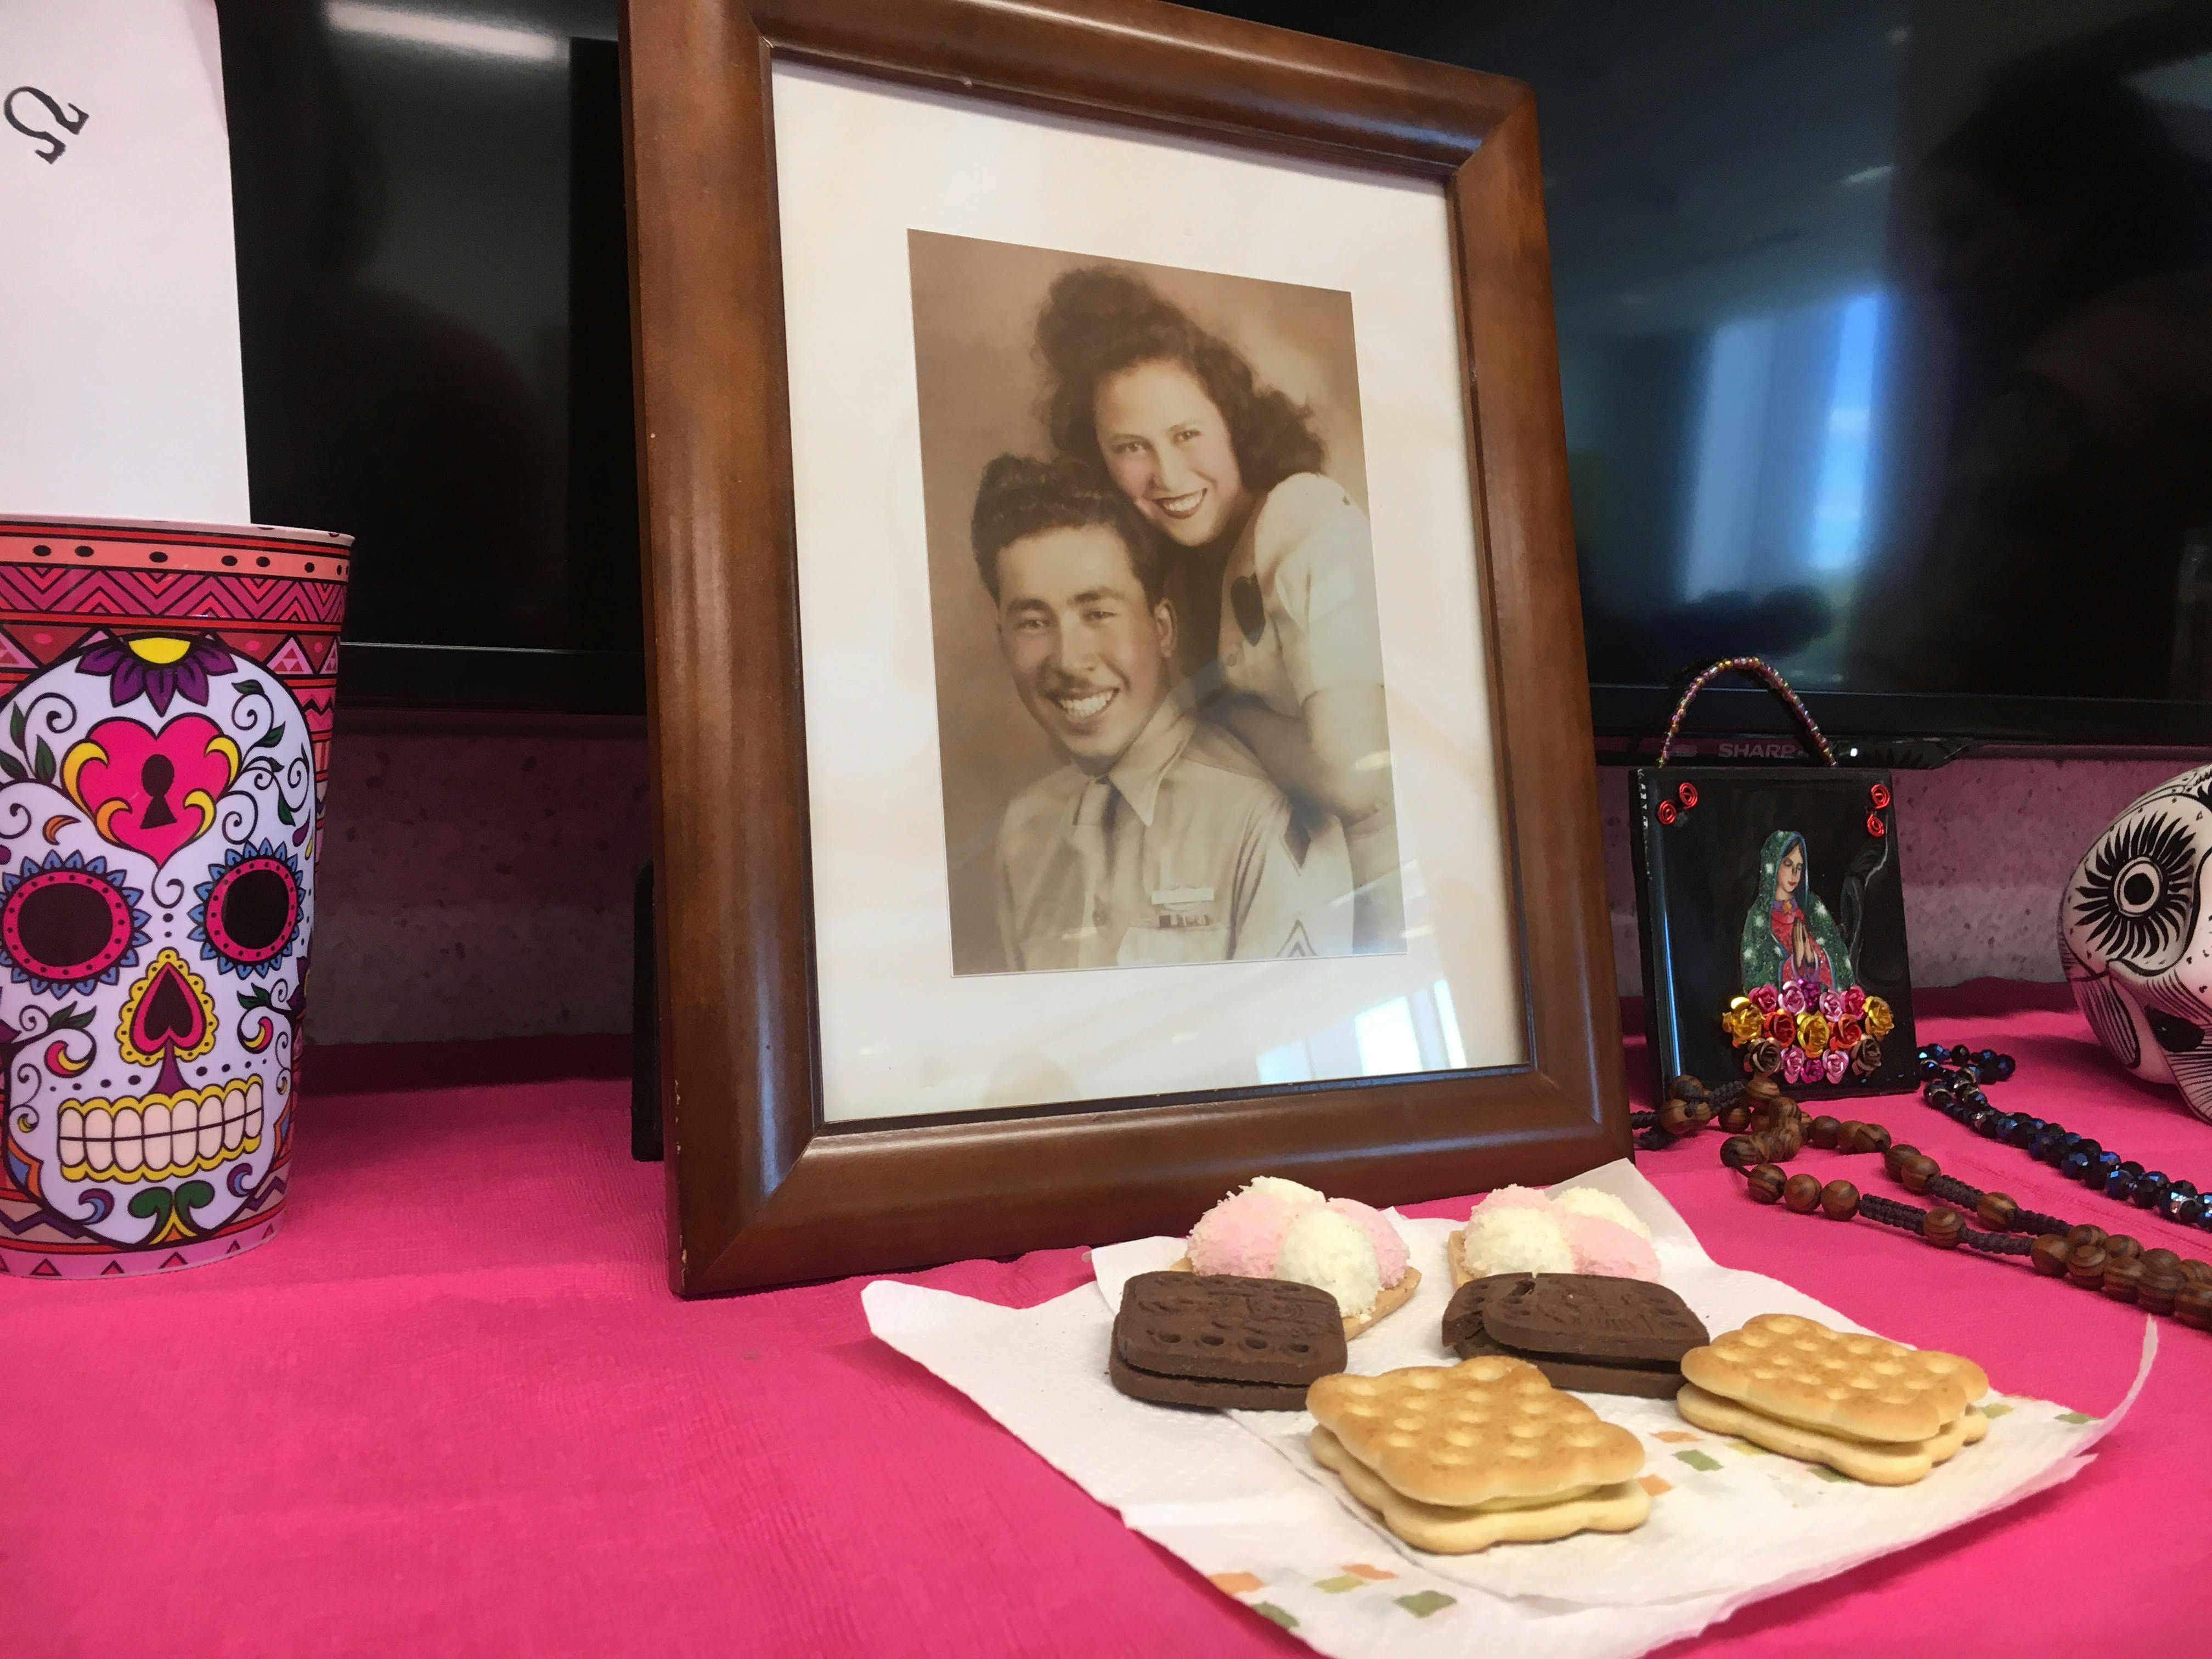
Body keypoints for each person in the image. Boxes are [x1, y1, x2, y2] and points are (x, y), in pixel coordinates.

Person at [1034, 268, 1403, 952]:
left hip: (1389, 898)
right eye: (1131, 448)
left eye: (1186, 434)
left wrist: (1231, 718)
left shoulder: (1302, 517)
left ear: (1235, 426)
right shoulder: (1184, 569)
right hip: (1294, 893)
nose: (1168, 477)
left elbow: (1356, 783)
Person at [972, 455, 1352, 972]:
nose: (1068, 659)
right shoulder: (1025, 832)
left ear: (1163, 627)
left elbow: (1288, 1045)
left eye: (1098, 613)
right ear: (1000, 641)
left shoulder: (1260, 816)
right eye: (1034, 622)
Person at [1740, 832, 1854, 994]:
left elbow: (1838, 956)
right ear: (1773, 864)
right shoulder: (1759, 917)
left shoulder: (1812, 908)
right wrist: (1792, 964)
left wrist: (1814, 959)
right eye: (1788, 864)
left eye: (1799, 867)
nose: (1794, 873)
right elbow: (1753, 980)